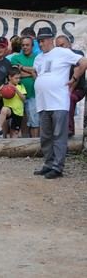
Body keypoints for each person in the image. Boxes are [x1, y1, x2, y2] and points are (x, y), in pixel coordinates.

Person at [33, 27, 87, 179]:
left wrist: (74, 79)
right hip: (43, 102)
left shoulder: (62, 52)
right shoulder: (38, 58)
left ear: (51, 39)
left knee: (58, 135)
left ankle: (57, 167)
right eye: (39, 41)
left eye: (43, 40)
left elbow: (83, 62)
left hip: (58, 101)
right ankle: (48, 164)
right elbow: (37, 73)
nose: (41, 43)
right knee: (45, 136)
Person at [55, 34, 86, 137]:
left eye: (62, 45)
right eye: (58, 46)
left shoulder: (77, 54)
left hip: (77, 89)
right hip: (62, 89)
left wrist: (69, 90)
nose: (60, 48)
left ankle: (69, 129)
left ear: (69, 44)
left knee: (69, 98)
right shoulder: (57, 58)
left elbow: (77, 73)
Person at [11, 36, 39, 137]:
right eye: (23, 45)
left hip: (33, 94)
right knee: (20, 121)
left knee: (34, 121)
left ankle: (34, 147)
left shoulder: (38, 57)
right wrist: (32, 72)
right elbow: (15, 75)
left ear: (32, 46)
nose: (25, 47)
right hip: (18, 95)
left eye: (27, 45)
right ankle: (24, 145)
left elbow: (39, 72)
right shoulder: (15, 58)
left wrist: (22, 67)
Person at [0, 67, 26, 139]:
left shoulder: (21, 86)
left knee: (14, 136)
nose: (18, 80)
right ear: (10, 77)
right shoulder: (4, 86)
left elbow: (24, 99)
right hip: (9, 110)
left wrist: (16, 90)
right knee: (4, 109)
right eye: (16, 78)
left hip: (18, 113)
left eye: (19, 78)